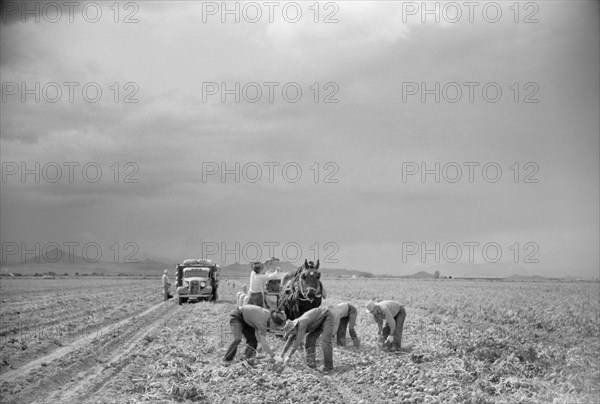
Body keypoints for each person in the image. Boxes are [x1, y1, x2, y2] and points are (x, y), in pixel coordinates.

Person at [279, 306, 335, 371]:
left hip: (326, 316)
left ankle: (329, 367)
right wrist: (282, 355)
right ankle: (311, 364)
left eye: (290, 333)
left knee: (325, 341)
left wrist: (289, 356)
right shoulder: (294, 327)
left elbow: (298, 342)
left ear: (293, 329)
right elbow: (289, 340)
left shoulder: (301, 324)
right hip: (317, 322)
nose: (291, 335)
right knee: (309, 340)